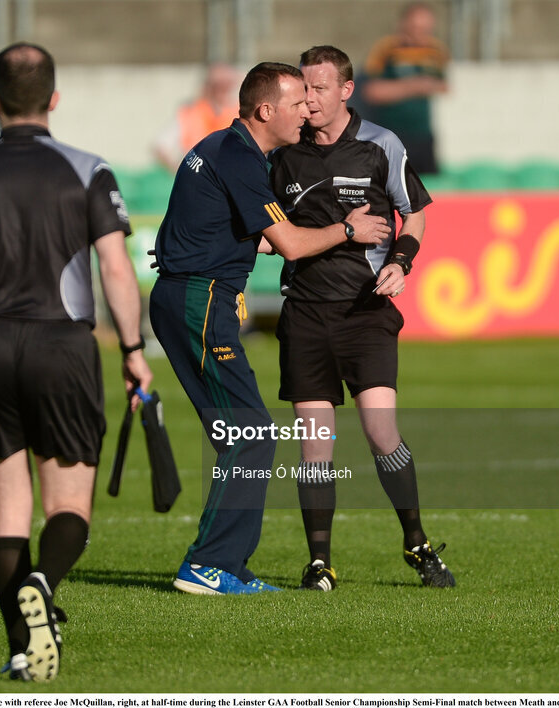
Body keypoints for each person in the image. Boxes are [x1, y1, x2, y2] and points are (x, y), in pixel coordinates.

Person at [0, 42, 152, 681]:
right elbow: (115, 269)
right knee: (69, 502)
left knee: (9, 511)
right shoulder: (87, 168)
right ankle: (44, 583)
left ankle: (24, 651)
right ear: (54, 98)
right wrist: (133, 350)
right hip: (62, 344)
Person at [149, 61, 391, 595]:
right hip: (200, 299)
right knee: (252, 434)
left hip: (189, 294)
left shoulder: (225, 147)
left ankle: (225, 563)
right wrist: (348, 229)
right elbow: (291, 245)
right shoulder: (239, 156)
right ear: (266, 111)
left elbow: (244, 234)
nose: (307, 110)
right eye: (296, 102)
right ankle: (209, 565)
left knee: (242, 434)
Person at [269, 45, 454, 592]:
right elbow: (264, 228)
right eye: (303, 89)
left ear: (346, 90)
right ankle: (319, 562)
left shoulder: (380, 145)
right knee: (314, 444)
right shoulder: (282, 153)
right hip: (304, 315)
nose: (309, 99)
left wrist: (401, 261)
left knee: (380, 431)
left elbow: (415, 213)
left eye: (319, 89)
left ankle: (417, 544)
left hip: (366, 313)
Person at [361, 2, 449, 175]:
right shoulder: (386, 49)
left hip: (423, 136)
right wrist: (412, 86)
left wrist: (429, 86)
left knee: (428, 188)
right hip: (392, 135)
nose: (420, 35)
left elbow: (444, 86)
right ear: (403, 25)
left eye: (426, 30)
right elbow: (372, 92)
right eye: (415, 28)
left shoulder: (436, 50)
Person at [152, 63, 241, 171]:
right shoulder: (191, 112)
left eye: (226, 85)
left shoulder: (241, 113)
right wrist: (179, 171)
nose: (223, 90)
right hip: (198, 178)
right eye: (217, 85)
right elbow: (161, 146)